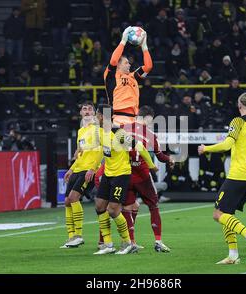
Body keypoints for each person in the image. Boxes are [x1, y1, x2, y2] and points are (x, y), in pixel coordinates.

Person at [198, 92, 246, 264]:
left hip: (238, 175)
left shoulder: (238, 121)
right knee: (228, 214)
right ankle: (233, 255)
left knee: (218, 214)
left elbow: (227, 144)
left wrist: (206, 149)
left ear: (239, 105)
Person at [93, 104, 157, 255]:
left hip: (121, 175)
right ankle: (108, 244)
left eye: (97, 114)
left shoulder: (119, 133)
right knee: (99, 206)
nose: (95, 117)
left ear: (102, 116)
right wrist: (93, 168)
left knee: (113, 210)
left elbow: (140, 146)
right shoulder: (100, 132)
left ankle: (128, 243)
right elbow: (102, 152)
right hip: (108, 174)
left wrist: (151, 165)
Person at [120, 106, 174, 252]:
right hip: (142, 175)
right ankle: (158, 241)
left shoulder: (122, 127)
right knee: (153, 206)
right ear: (149, 117)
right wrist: (171, 159)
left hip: (125, 174)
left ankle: (130, 242)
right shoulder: (150, 134)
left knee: (127, 208)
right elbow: (161, 157)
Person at [60, 102, 102, 248]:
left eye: (90, 109)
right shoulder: (80, 131)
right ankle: (71, 237)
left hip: (88, 171)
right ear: (80, 112)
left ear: (95, 114)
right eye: (85, 109)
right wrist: (71, 169)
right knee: (66, 201)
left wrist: (93, 168)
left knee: (73, 198)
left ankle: (78, 235)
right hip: (78, 170)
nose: (87, 111)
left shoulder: (96, 129)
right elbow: (80, 154)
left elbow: (99, 151)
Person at [104, 26, 152, 126]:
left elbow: (148, 66)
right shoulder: (111, 75)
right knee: (123, 141)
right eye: (126, 63)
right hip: (118, 118)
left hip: (134, 119)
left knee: (138, 142)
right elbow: (113, 60)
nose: (129, 65)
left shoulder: (133, 76)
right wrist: (123, 41)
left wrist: (144, 46)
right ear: (118, 64)